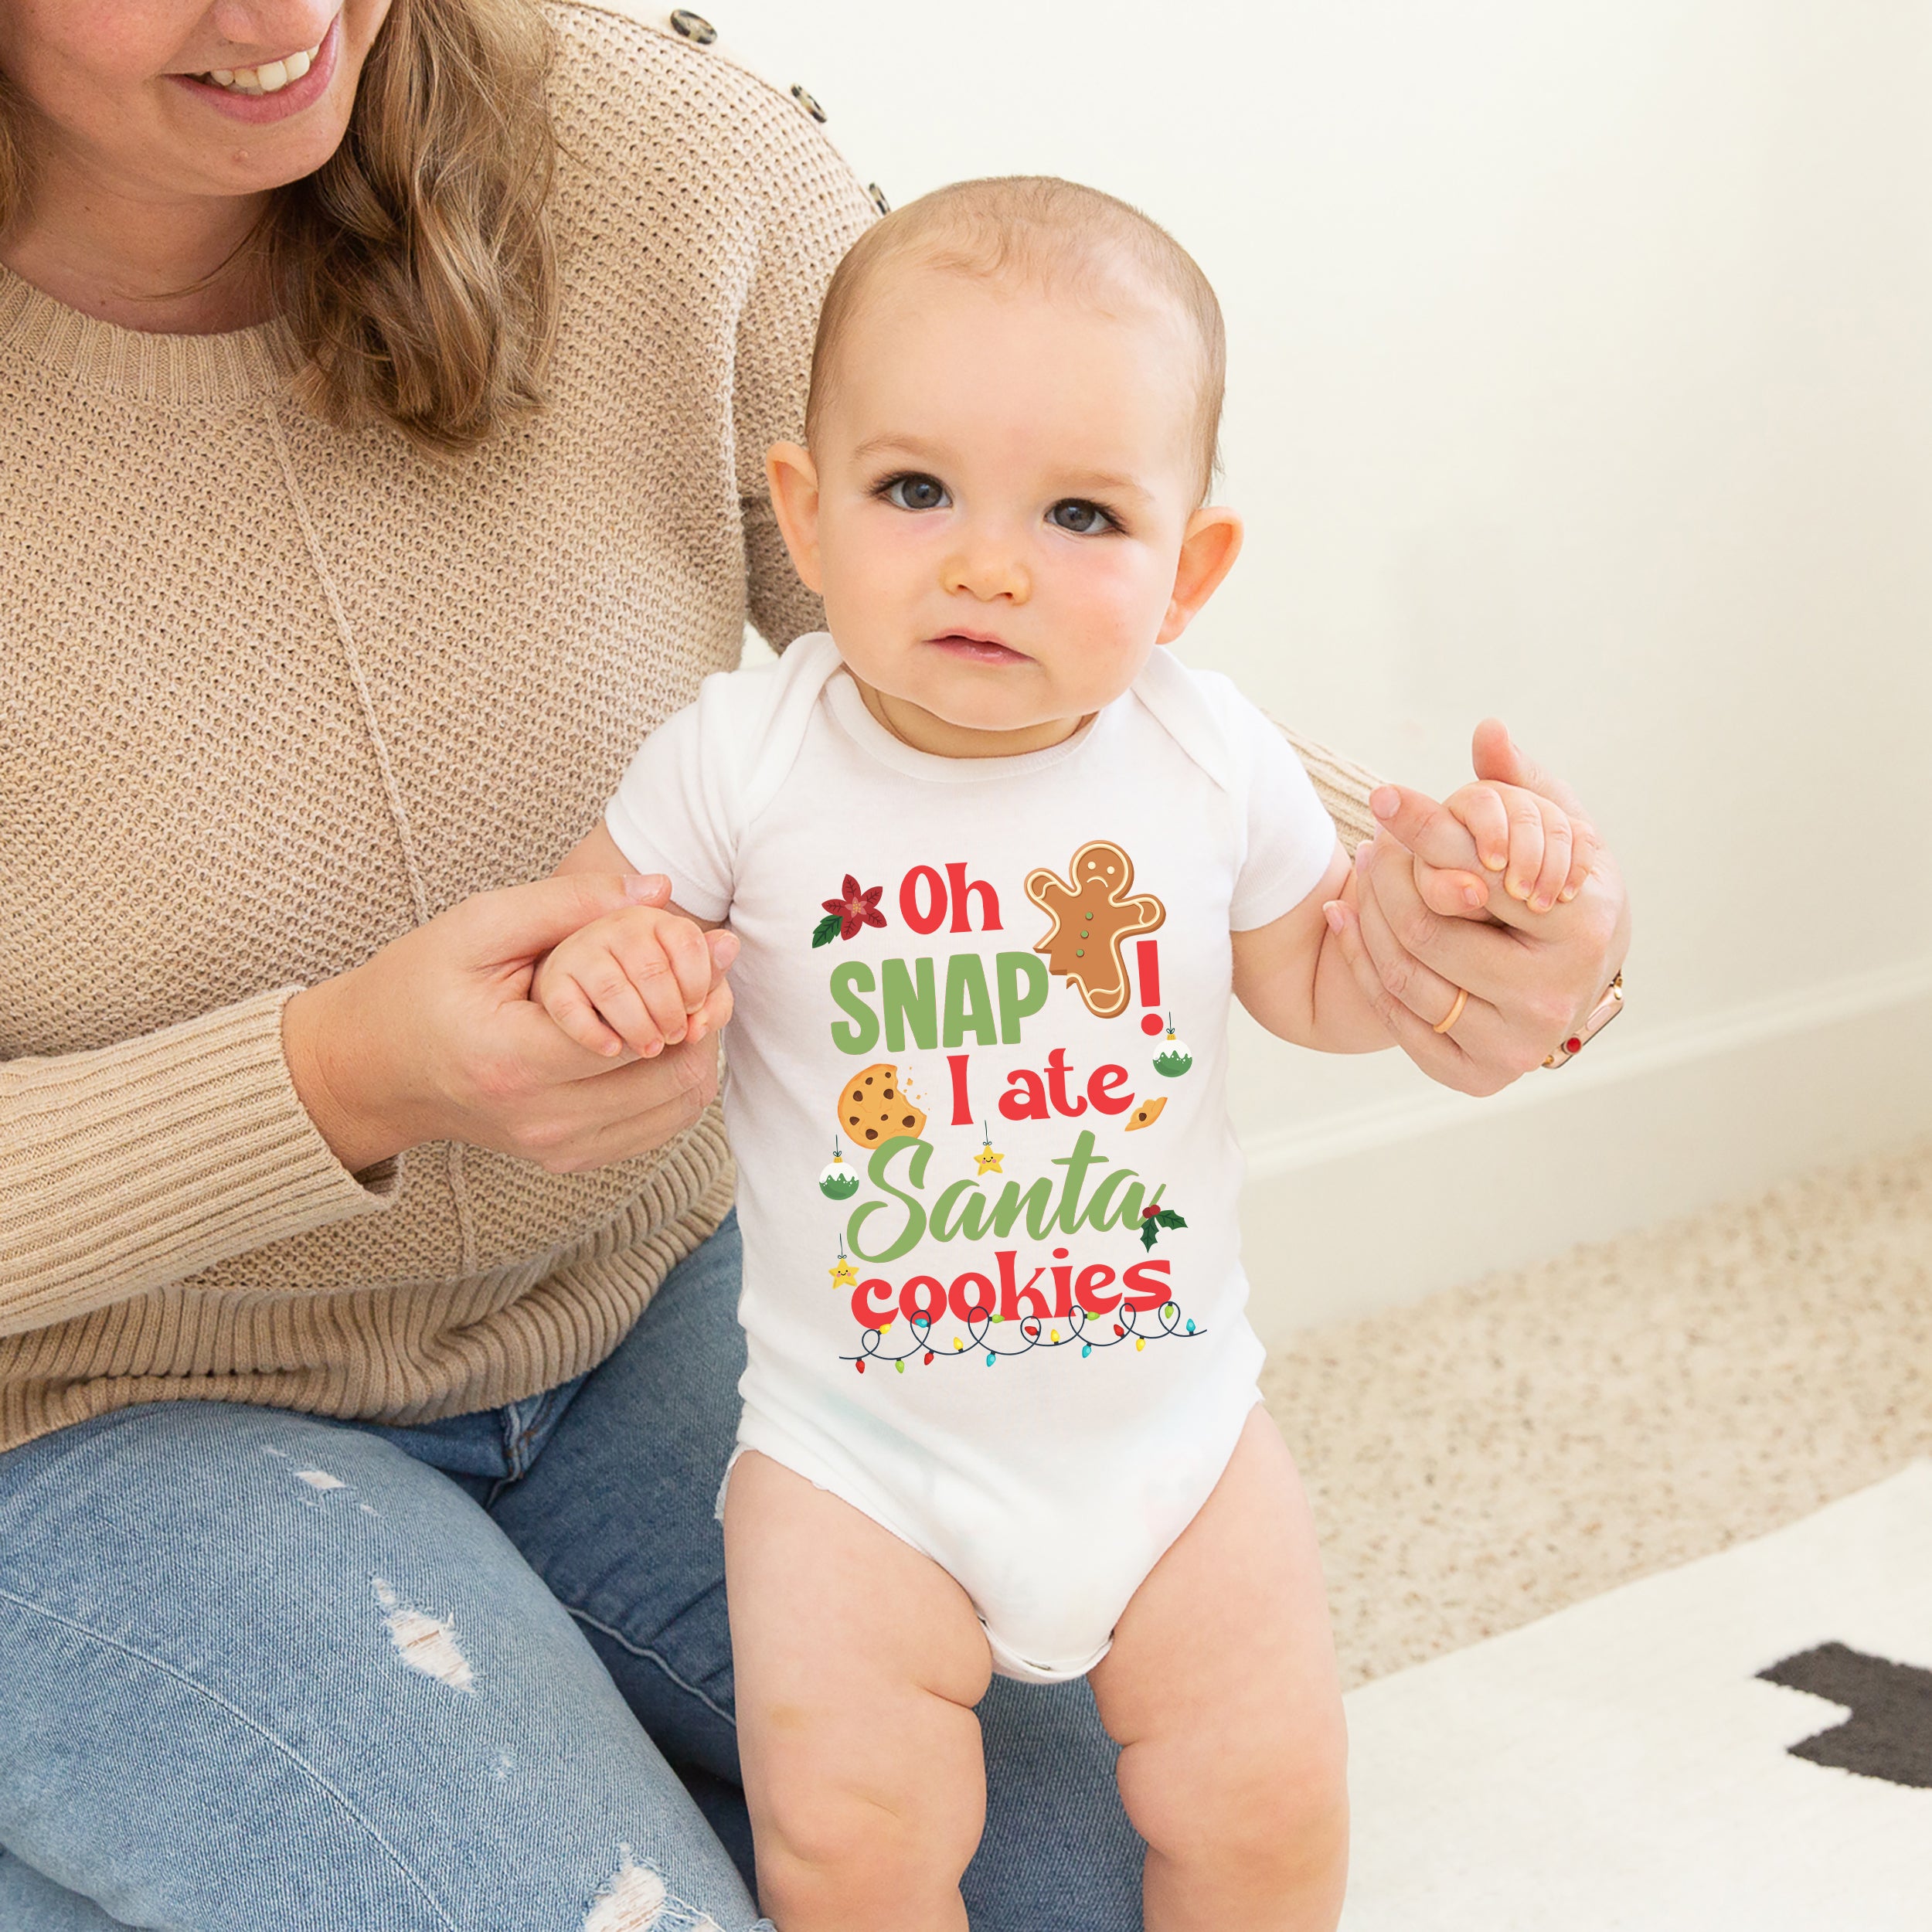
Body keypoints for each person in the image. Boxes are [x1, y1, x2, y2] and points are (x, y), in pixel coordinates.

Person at [0, 6, 1628, 1928]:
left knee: (1120, 1867)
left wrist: (1477, 934)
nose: (282, 19)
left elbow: (1049, 645)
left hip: (659, 1311)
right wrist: (333, 1075)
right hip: (96, 1407)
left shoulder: (660, 162)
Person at [531, 175, 1591, 1932]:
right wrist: (617, 959)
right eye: (914, 488)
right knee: (853, 1839)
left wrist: (1447, 890)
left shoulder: (1203, 752)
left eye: (1081, 512)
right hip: (852, 1458)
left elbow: (1316, 983)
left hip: (1173, 1438)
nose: (987, 559)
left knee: (1262, 1805)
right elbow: (582, 921)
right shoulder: (746, 756)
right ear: (802, 509)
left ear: (1190, 571)